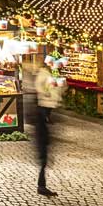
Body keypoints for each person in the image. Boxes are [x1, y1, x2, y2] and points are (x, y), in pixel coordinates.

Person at [34, 64, 64, 196]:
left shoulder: (43, 112)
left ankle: (42, 185)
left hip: (43, 139)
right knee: (43, 161)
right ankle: (41, 186)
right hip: (42, 139)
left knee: (44, 161)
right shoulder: (42, 113)